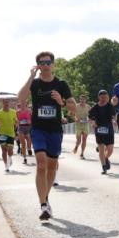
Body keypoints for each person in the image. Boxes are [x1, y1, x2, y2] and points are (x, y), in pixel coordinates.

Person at [18, 51, 76, 221]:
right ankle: (43, 204)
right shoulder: (35, 84)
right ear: (38, 65)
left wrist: (61, 102)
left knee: (51, 167)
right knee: (41, 164)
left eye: (48, 62)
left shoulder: (61, 84)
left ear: (53, 64)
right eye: (42, 63)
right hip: (38, 129)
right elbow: (21, 99)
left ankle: (45, 198)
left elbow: (73, 107)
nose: (45, 65)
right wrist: (30, 77)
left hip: (55, 130)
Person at [89, 89, 116, 174]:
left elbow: (114, 116)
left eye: (105, 97)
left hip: (109, 129)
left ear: (107, 97)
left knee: (110, 149)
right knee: (101, 149)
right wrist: (93, 123)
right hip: (99, 129)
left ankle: (106, 158)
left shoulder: (110, 106)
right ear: (99, 97)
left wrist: (114, 121)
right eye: (102, 97)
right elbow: (90, 118)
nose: (104, 99)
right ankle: (104, 167)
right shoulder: (95, 107)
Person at [0, 98, 19, 173]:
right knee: (4, 150)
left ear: (9, 103)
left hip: (11, 133)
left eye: (7, 102)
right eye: (5, 102)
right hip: (1, 134)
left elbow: (16, 121)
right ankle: (6, 165)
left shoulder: (13, 112)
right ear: (3, 104)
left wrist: (16, 124)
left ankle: (10, 158)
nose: (6, 104)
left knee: (10, 150)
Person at [72, 95, 91, 159]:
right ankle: (76, 146)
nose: (82, 100)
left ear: (86, 100)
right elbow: (71, 114)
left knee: (84, 140)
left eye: (83, 99)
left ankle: (82, 153)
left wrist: (89, 119)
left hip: (85, 125)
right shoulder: (76, 106)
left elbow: (92, 115)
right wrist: (75, 118)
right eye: (81, 99)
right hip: (78, 125)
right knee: (79, 140)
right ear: (79, 100)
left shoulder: (88, 107)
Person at [16, 100, 33, 164]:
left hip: (28, 128)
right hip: (21, 128)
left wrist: (30, 122)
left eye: (25, 104)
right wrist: (17, 123)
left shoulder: (29, 111)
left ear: (26, 104)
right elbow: (17, 120)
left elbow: (33, 119)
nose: (23, 105)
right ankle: (24, 158)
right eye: (22, 104)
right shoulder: (18, 112)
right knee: (23, 144)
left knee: (29, 140)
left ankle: (29, 149)